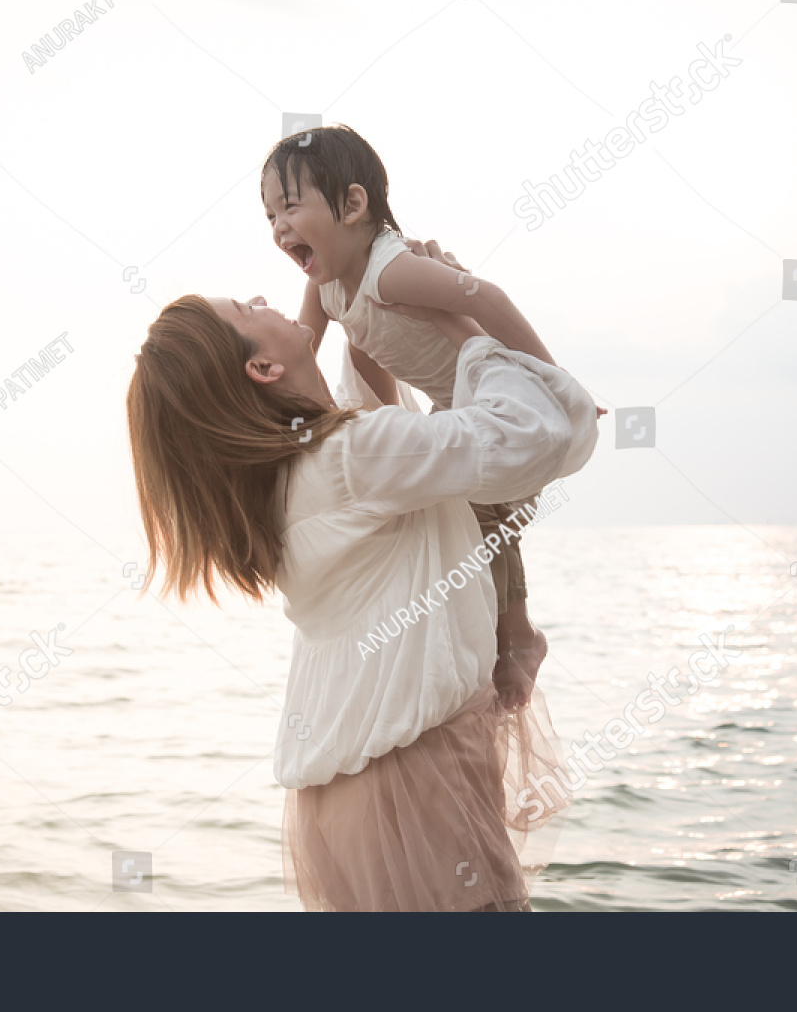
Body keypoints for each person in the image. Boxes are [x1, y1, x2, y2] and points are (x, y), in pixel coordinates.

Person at [126, 242, 601, 911]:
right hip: (412, 780)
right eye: (249, 307)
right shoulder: (349, 459)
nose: (269, 301)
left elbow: (401, 428)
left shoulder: (289, 479)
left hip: (338, 799)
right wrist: (459, 322)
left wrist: (369, 306)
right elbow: (540, 436)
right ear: (261, 367)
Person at [263, 124, 592, 707]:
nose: (278, 228)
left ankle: (519, 634)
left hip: (489, 400)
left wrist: (556, 383)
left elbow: (484, 297)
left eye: (290, 207)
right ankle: (501, 636)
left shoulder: (393, 270)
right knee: (463, 521)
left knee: (489, 523)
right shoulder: (329, 283)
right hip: (446, 406)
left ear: (354, 204)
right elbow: (312, 350)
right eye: (269, 217)